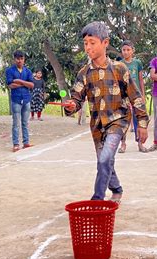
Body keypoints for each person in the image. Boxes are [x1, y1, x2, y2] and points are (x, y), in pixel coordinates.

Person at [63, 22, 149, 203]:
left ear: (105, 43)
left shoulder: (120, 69)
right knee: (105, 160)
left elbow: (136, 97)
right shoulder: (84, 73)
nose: (87, 47)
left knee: (104, 159)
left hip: (119, 120)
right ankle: (116, 189)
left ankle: (97, 200)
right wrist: (71, 106)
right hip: (97, 125)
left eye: (92, 42)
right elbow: (76, 99)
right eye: (85, 43)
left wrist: (142, 124)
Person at [118, 40, 148, 153]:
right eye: (124, 50)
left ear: (132, 51)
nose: (126, 52)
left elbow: (140, 80)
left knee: (138, 119)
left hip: (136, 96)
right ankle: (123, 144)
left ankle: (140, 143)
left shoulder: (137, 63)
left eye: (128, 50)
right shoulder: (119, 64)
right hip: (124, 96)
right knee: (124, 119)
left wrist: (142, 95)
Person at [5, 50, 34, 152]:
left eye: (21, 58)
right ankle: (16, 144)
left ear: (24, 59)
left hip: (26, 99)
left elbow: (32, 85)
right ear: (14, 59)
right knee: (16, 123)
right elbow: (10, 85)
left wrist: (20, 81)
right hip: (16, 99)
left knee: (25, 123)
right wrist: (26, 84)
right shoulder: (10, 71)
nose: (19, 61)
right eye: (17, 58)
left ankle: (26, 142)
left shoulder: (28, 71)